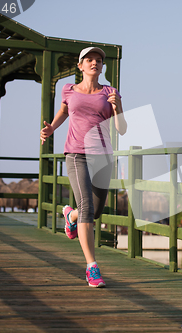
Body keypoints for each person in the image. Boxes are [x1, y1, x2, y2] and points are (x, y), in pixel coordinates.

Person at [40, 47, 127, 288]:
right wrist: (51, 128)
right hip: (76, 153)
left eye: (98, 60)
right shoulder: (69, 89)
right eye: (89, 60)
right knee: (87, 208)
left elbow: (121, 128)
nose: (94, 63)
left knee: (95, 211)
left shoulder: (110, 93)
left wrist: (118, 107)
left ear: (102, 67)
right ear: (80, 65)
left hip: (102, 156)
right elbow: (64, 111)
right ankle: (92, 267)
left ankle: (70, 214)